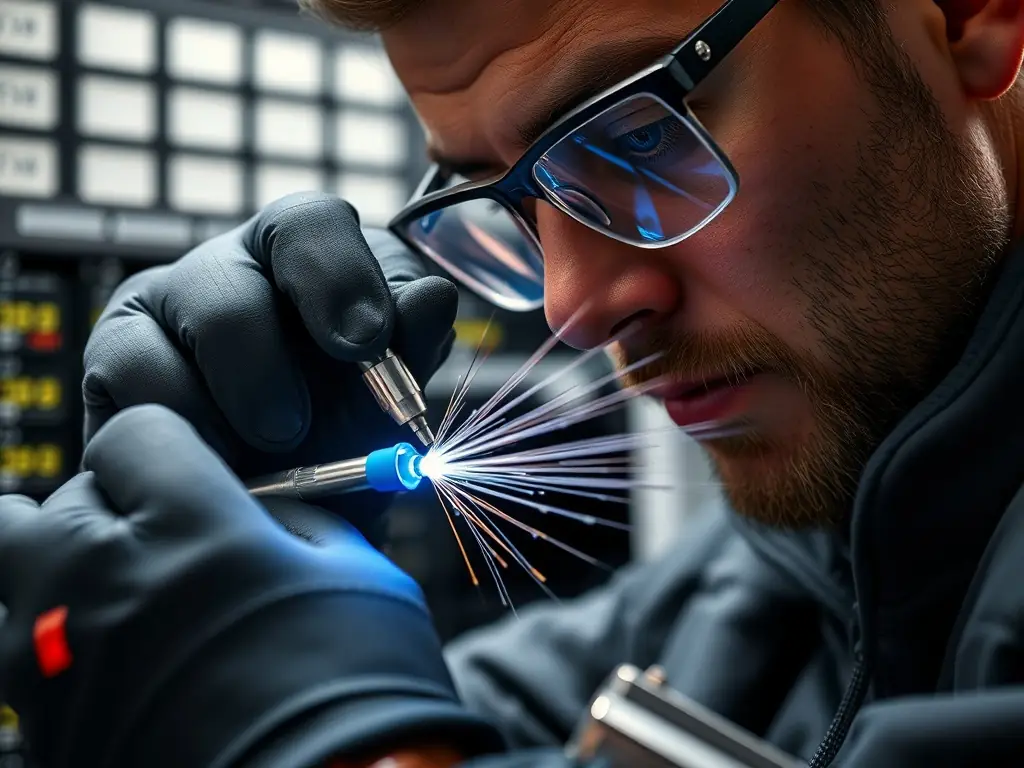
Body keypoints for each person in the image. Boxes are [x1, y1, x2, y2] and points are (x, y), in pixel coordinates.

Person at [1, 0, 1023, 765]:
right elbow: (525, 705)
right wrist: (265, 637)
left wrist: (349, 749)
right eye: (511, 208)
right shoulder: (814, 535)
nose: (571, 307)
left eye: (638, 137)